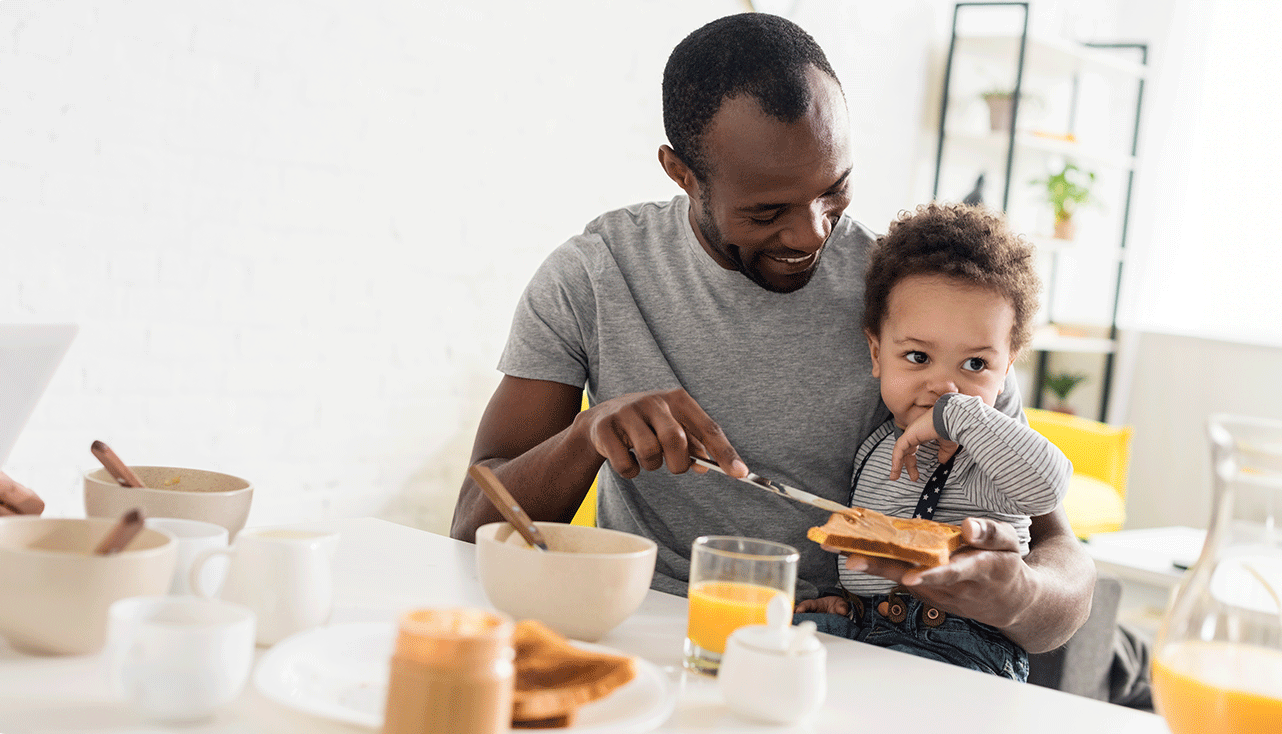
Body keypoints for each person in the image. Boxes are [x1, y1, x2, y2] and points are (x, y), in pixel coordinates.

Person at [451, 12, 1095, 655]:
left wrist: (1015, 596)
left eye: (834, 190)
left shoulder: (913, 298)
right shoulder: (595, 275)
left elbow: (1061, 577)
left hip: (854, 648)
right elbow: (472, 529)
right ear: (682, 173)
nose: (813, 233)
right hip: (658, 635)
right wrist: (585, 436)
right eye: (767, 211)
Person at [792, 202, 1071, 680]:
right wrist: (847, 603)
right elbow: (866, 564)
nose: (944, 385)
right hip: (869, 628)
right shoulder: (874, 448)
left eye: (976, 365)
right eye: (918, 357)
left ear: (1007, 369)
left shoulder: (990, 453)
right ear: (877, 354)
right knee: (783, 639)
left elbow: (1050, 486)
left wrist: (962, 415)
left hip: (964, 646)